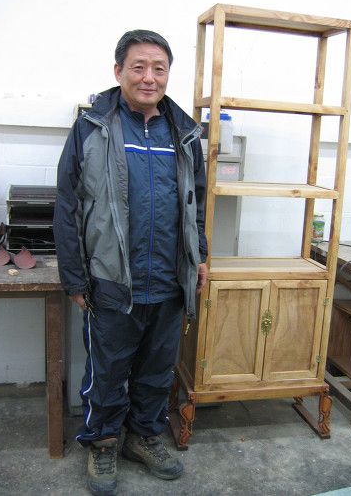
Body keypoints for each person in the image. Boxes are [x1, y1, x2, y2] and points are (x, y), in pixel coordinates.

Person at [53, 29, 208, 496]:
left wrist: (199, 256)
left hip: (169, 279)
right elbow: (68, 204)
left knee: (157, 370)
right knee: (108, 370)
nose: (149, 77)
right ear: (118, 71)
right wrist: (74, 276)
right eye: (139, 67)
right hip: (111, 279)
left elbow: (196, 203)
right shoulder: (93, 127)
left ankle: (144, 435)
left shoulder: (183, 133)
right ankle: (103, 441)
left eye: (159, 69)